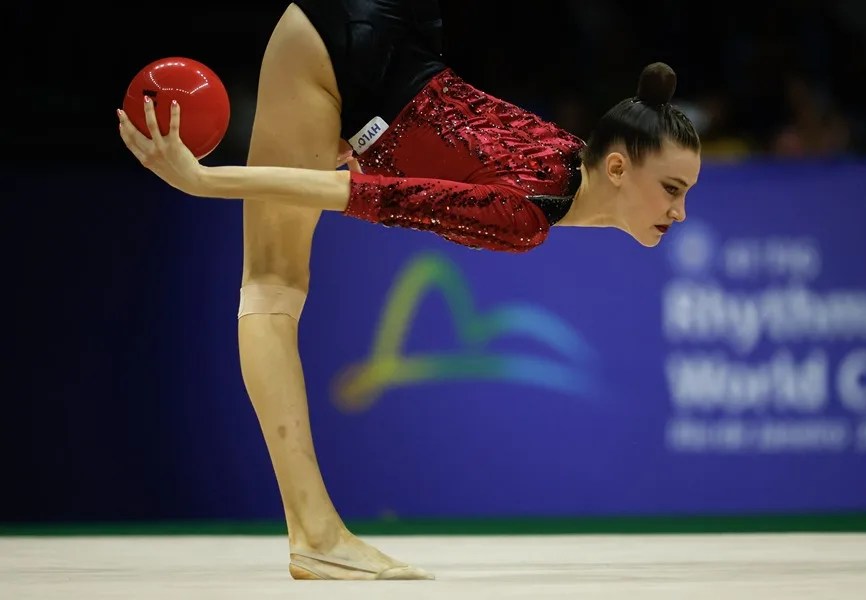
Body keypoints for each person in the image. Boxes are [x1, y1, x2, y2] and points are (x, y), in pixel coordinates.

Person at [116, 0, 701, 581]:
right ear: (619, 169)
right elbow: (357, 196)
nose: (679, 212)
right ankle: (316, 535)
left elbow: (434, 145)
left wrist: (360, 145)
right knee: (272, 283)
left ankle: (318, 533)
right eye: (672, 189)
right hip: (357, 58)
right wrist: (203, 180)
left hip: (396, 34)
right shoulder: (523, 217)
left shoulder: (570, 154)